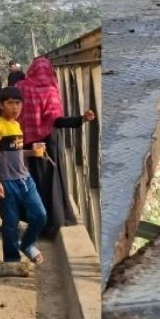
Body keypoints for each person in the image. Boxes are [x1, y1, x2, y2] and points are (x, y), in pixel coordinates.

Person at [16, 57, 96, 238]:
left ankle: (34, 220)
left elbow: (13, 110)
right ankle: (55, 221)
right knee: (52, 180)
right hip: (50, 141)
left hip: (28, 141)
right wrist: (80, 119)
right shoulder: (51, 90)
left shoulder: (22, 87)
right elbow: (56, 120)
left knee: (32, 180)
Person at [0, 86, 47, 264]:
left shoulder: (16, 125)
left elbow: (17, 152)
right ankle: (12, 260)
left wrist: (32, 151)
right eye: (10, 103)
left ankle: (27, 245)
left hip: (25, 180)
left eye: (18, 103)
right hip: (7, 182)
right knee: (10, 224)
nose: (15, 108)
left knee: (40, 215)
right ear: (1, 104)